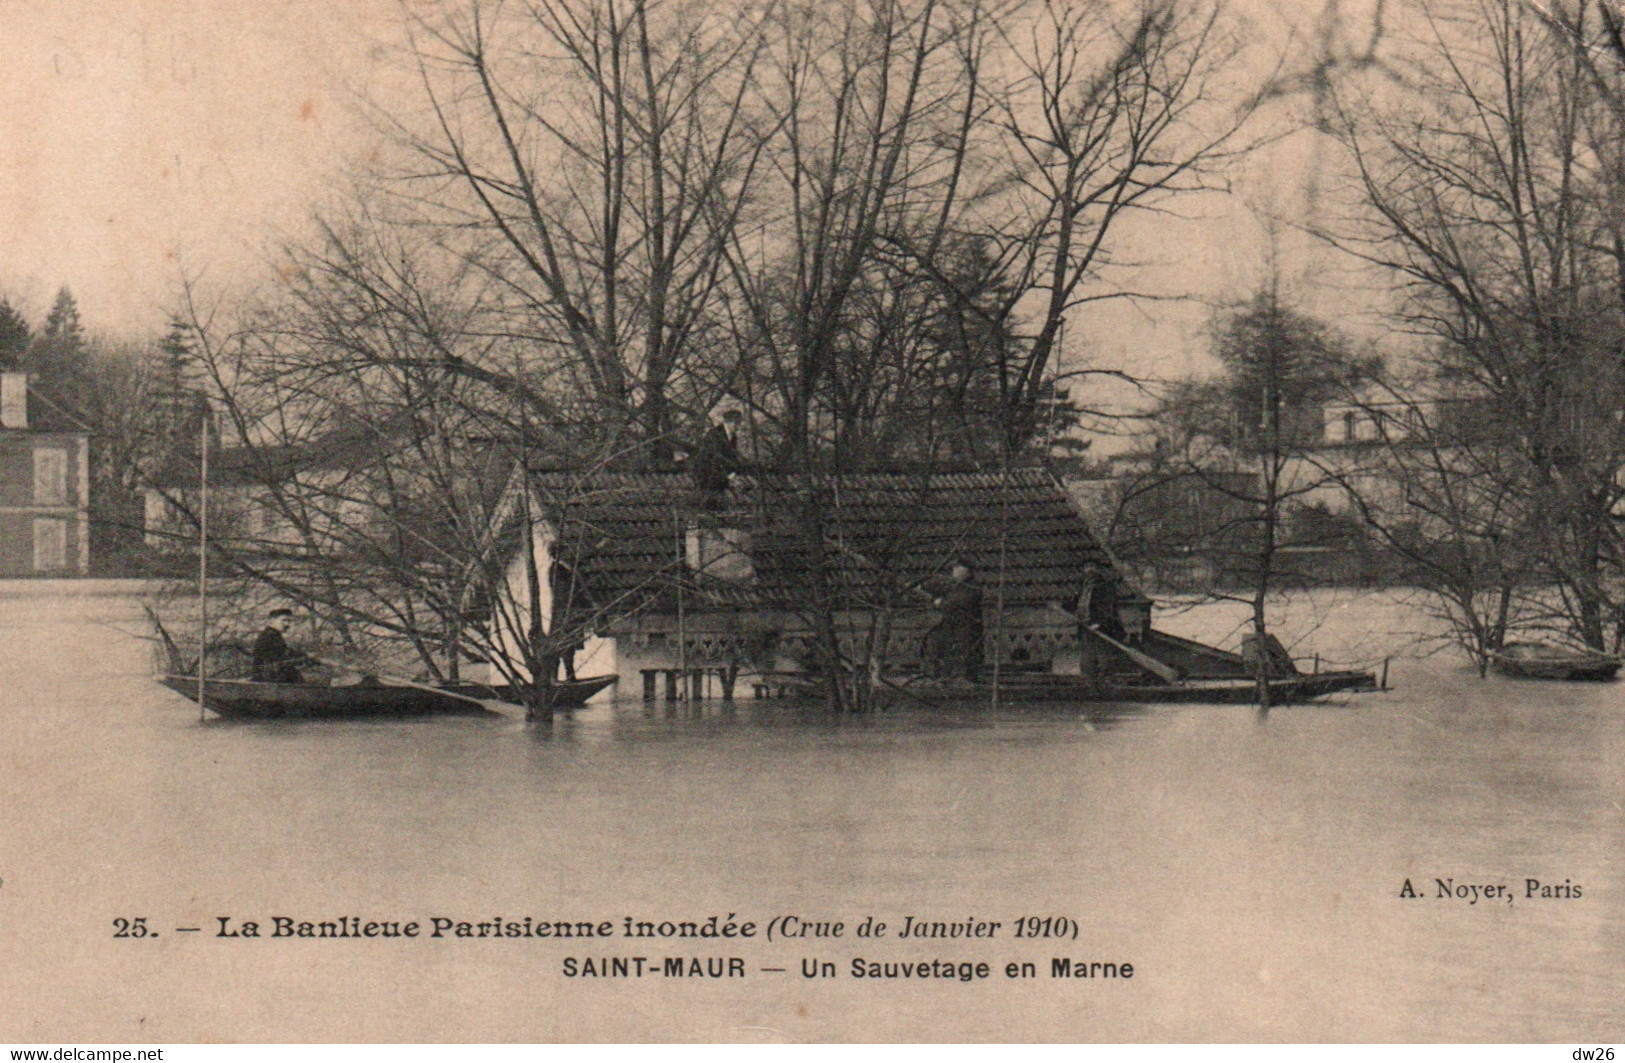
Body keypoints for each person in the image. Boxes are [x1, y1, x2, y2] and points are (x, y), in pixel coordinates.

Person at [927, 559, 984, 681]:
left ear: (967, 571)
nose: (954, 570)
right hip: (952, 624)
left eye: (958, 567)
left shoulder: (972, 586)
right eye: (954, 567)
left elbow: (961, 601)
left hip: (966, 625)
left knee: (965, 651)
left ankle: (964, 677)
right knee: (940, 645)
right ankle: (944, 675)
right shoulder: (955, 586)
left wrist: (942, 603)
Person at [689, 407, 743, 510]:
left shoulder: (733, 437)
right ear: (729, 422)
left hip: (720, 476)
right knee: (709, 506)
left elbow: (732, 457)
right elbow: (715, 458)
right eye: (737, 423)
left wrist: (733, 472)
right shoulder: (714, 434)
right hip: (708, 476)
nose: (738, 427)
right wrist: (728, 475)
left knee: (721, 505)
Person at [251, 608, 309, 683]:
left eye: (289, 621)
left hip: (267, 677)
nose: (287, 624)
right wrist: (306, 657)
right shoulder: (270, 636)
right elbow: (286, 654)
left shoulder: (273, 635)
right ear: (272, 620)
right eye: (284, 620)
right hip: (267, 680)